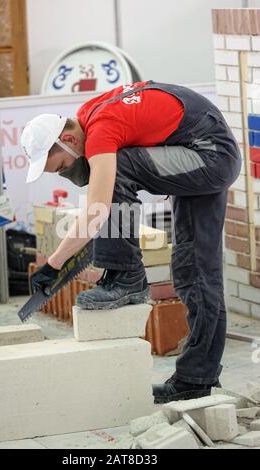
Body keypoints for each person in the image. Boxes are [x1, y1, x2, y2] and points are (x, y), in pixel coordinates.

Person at [21, 80, 241, 403]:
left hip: (210, 153)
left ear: (68, 139)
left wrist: (54, 264)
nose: (68, 173)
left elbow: (98, 207)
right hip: (198, 147)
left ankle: (125, 277)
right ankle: (196, 379)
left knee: (118, 169)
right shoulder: (87, 119)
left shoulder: (99, 130)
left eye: (63, 166)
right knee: (194, 271)